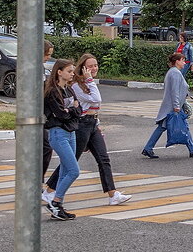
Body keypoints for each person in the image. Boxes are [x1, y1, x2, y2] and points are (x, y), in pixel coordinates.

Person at [44, 54, 131, 207]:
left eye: (95, 65)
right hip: (81, 126)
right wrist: (89, 80)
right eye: (90, 66)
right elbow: (96, 99)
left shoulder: (85, 85)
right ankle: (50, 190)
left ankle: (113, 194)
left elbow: (88, 106)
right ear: (82, 68)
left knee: (103, 159)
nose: (94, 69)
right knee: (71, 162)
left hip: (92, 124)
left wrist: (93, 120)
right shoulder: (77, 85)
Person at [141, 53, 193, 159]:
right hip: (172, 107)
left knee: (181, 126)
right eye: (183, 60)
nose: (184, 63)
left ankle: (192, 149)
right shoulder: (175, 73)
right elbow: (174, 91)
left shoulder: (174, 72)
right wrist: (176, 106)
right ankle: (148, 148)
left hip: (174, 106)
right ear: (177, 61)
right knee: (166, 127)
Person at [43, 59, 81, 221]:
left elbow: (79, 110)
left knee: (66, 170)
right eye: (69, 71)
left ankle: (58, 206)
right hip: (58, 133)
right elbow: (61, 114)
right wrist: (71, 110)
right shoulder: (52, 92)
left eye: (72, 71)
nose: (72, 74)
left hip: (71, 132)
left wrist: (71, 109)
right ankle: (55, 202)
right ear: (59, 72)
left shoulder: (69, 90)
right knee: (74, 171)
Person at [42, 40, 54, 179]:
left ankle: (37, 181)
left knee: (45, 148)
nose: (49, 57)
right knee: (46, 148)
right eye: (47, 54)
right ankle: (35, 182)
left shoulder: (41, 68)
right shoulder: (33, 68)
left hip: (43, 115)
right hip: (34, 115)